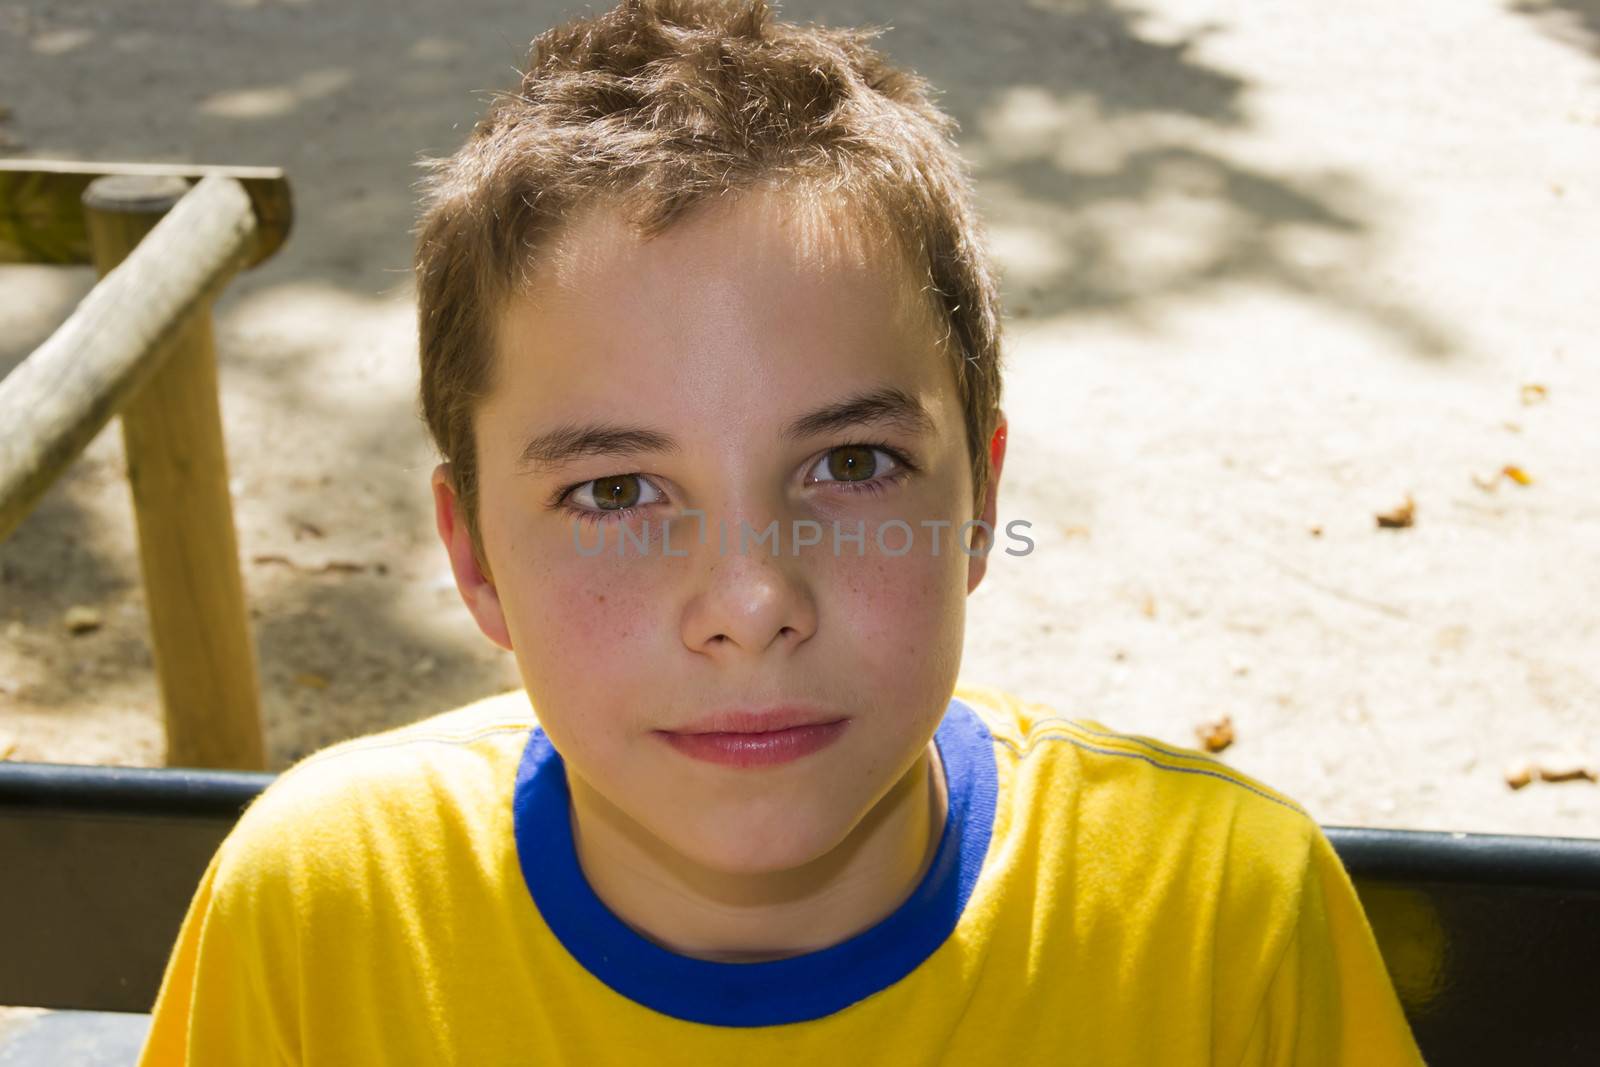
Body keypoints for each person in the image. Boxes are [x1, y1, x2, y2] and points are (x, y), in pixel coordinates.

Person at [138, 1, 1427, 1063]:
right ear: (474, 555)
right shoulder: (322, 914)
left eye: (850, 463)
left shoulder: (1219, 926)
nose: (751, 599)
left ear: (975, 504)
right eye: (616, 491)